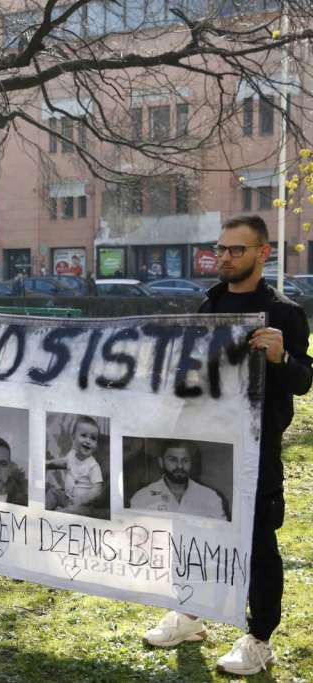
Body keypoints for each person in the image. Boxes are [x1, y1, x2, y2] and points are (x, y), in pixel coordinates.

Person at [142, 215, 312, 675]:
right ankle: (191, 615)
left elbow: (303, 381)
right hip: (204, 441)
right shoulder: (208, 306)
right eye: (221, 249)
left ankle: (259, 638)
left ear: (263, 253)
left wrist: (282, 358)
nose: (225, 257)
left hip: (256, 451)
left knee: (257, 542)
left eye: (237, 250)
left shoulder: (286, 315)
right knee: (193, 532)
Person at [128, 441, 227, 520]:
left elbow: (221, 535)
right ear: (161, 462)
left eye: (185, 460)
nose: (180, 466)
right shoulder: (141, 498)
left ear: (191, 463)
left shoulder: (211, 497)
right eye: (173, 460)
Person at [45, 416, 104, 511]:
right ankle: (45, 511)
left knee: (74, 511)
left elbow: (97, 490)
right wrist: (48, 463)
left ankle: (62, 512)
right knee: (53, 492)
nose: (88, 441)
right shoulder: (72, 454)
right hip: (67, 498)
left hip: (84, 504)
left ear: (96, 444)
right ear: (73, 437)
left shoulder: (93, 466)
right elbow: (63, 462)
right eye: (83, 435)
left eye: (93, 438)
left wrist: (81, 500)